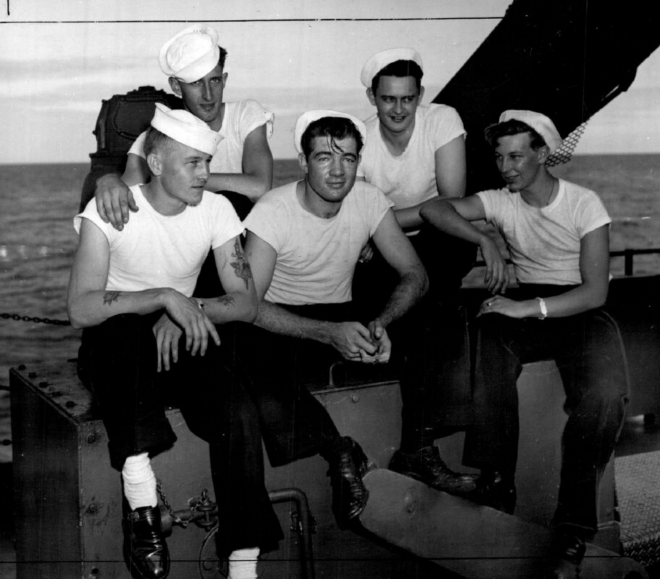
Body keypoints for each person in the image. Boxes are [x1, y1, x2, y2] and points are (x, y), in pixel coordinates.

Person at [67, 104, 282, 579]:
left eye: (207, 161)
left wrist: (190, 309)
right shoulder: (111, 211)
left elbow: (244, 302)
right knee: (122, 332)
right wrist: (165, 297)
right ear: (157, 164)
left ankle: (243, 563)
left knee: (236, 409)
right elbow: (81, 308)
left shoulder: (217, 210)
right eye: (194, 163)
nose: (207, 174)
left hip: (179, 341)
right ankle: (142, 507)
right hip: (115, 349)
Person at [419, 110, 629, 579]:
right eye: (499, 157)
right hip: (528, 302)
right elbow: (435, 208)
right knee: (489, 334)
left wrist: (527, 307)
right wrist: (482, 238)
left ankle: (573, 528)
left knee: (604, 395)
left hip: (579, 308)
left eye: (516, 155)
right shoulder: (500, 201)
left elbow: (596, 291)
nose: (506, 166)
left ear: (542, 154)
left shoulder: (584, 203)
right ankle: (497, 481)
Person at [239, 110, 428, 527]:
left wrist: (382, 324)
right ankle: (338, 449)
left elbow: (416, 274)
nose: (339, 169)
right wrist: (327, 333)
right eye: (324, 157)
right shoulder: (273, 211)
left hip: (341, 313)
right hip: (282, 322)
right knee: (245, 353)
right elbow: (248, 305)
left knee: (430, 318)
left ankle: (418, 449)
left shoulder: (368, 199)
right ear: (304, 163)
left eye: (348, 157)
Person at [353, 47, 477, 494]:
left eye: (408, 98)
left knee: (432, 290)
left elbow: (451, 202)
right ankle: (419, 449)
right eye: (388, 99)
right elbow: (363, 216)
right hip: (388, 251)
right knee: (423, 311)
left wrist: (385, 221)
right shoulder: (360, 140)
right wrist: (387, 226)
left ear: (420, 94)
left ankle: (418, 448)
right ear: (372, 97)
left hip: (439, 242)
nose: (399, 109)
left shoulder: (442, 120)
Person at [94, 23, 274, 231]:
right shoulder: (157, 136)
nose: (208, 94)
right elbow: (127, 189)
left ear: (224, 80)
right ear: (176, 86)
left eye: (214, 80)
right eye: (196, 83)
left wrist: (177, 181)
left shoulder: (245, 115)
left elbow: (259, 187)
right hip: (189, 245)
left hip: (242, 236)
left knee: (235, 202)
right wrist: (107, 181)